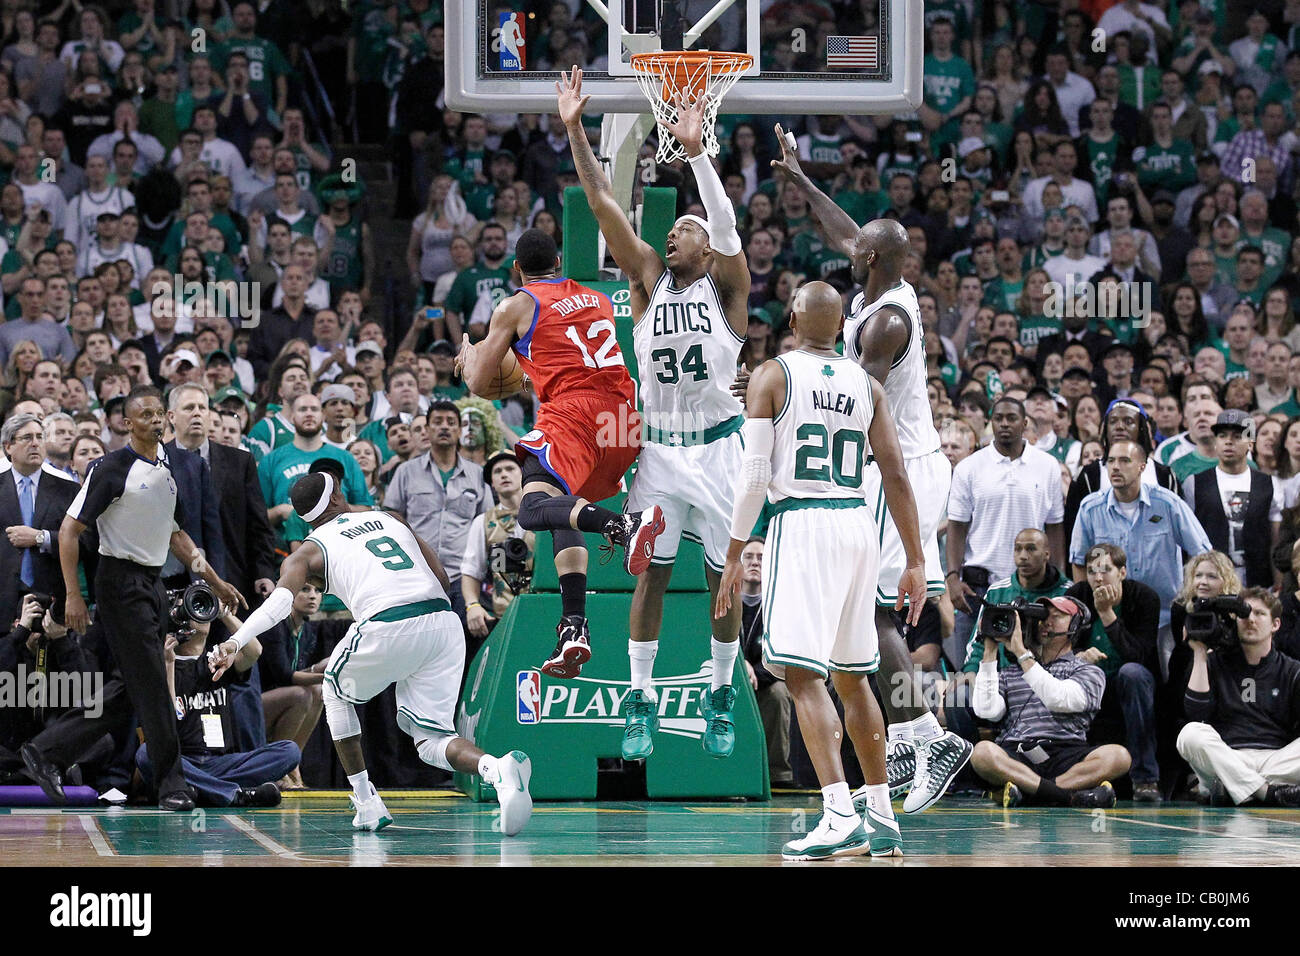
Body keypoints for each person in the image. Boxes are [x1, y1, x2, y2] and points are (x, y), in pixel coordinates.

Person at [770, 145, 972, 811]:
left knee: (874, 610)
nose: (848, 251)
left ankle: (925, 735)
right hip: (890, 468)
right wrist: (799, 177)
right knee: (857, 612)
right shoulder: (875, 284)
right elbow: (847, 231)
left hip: (902, 469)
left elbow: (860, 409)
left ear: (875, 264)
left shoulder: (887, 320)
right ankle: (910, 743)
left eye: (860, 251)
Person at [558, 73, 751, 759]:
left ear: (709, 250)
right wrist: (576, 129)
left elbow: (726, 227)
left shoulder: (729, 290)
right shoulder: (645, 281)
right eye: (670, 229)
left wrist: (697, 153)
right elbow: (603, 201)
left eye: (685, 230)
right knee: (653, 576)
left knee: (722, 578)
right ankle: (638, 698)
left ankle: (721, 694)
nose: (674, 235)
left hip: (723, 449)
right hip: (664, 453)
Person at [716, 280, 926, 860]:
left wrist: (735, 551)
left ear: (790, 318)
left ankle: (837, 811)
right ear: (842, 328)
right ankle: (880, 814)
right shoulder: (867, 383)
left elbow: (755, 475)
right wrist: (914, 558)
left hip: (801, 524)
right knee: (854, 678)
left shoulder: (773, 374)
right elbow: (898, 476)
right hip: (859, 526)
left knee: (801, 675)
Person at [210, 472, 534, 834]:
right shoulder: (389, 517)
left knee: (332, 689)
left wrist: (235, 641)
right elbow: (442, 578)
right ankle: (497, 769)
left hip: (388, 621)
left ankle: (366, 801)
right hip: (443, 623)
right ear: (335, 498)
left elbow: (280, 602)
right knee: (430, 741)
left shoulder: (308, 550)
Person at [457, 226, 663, 678]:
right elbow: (564, 352)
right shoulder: (597, 298)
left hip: (577, 414)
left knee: (532, 509)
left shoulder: (515, 304)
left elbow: (477, 384)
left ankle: (624, 526)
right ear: (560, 264)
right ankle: (574, 625)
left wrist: (469, 353)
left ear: (517, 269)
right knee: (560, 508)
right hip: (624, 421)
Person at [58, 385, 243, 811]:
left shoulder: (166, 469)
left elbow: (179, 537)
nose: (156, 421)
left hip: (152, 582)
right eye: (146, 415)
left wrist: (215, 581)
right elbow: (70, 530)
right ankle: (172, 785)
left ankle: (49, 751)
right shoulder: (110, 467)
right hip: (119, 580)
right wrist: (73, 594)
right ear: (127, 423)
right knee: (154, 687)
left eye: (160, 413)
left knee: (134, 687)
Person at [970, 595, 1130, 807]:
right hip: (1019, 753)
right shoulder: (1009, 673)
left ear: (1075, 625)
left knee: (1119, 756)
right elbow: (987, 711)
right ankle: (1066, 796)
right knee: (982, 752)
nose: (1046, 622)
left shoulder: (1087, 670)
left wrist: (1021, 653)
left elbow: (1059, 699)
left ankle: (1029, 792)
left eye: (1057, 616)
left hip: (1067, 753)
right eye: (1043, 617)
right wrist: (989, 652)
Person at [948, 397, 1066, 658]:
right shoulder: (969, 467)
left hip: (1033, 585)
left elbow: (1055, 526)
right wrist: (952, 577)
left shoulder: (1047, 466)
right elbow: (956, 526)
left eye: (1011, 418)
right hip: (978, 586)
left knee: (1032, 669)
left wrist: (1060, 578)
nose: (1004, 424)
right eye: (998, 418)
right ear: (991, 422)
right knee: (971, 670)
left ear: (1024, 423)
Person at [139, 612, 296, 808]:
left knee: (289, 750)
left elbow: (254, 650)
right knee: (146, 753)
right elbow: (169, 721)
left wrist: (225, 613)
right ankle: (236, 794)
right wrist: (168, 664)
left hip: (222, 762)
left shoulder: (218, 661)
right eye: (194, 609)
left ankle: (202, 790)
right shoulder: (165, 663)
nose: (201, 613)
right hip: (181, 761)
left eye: (204, 609)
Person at [1177, 587, 1300, 807]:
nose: (1250, 619)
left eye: (1259, 614)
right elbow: (1195, 714)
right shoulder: (1214, 662)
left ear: (1275, 624)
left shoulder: (1292, 670)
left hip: (1274, 758)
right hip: (1227, 754)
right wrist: (1199, 652)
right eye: (1244, 614)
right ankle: (1265, 792)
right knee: (1189, 734)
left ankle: (1234, 787)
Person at [1066, 543, 1163, 801]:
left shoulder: (1144, 598)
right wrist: (1078, 657)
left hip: (1130, 684)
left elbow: (1138, 655)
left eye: (1105, 570)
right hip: (1090, 683)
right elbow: (1059, 649)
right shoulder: (1077, 596)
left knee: (1132, 673)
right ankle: (1071, 775)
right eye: (1091, 571)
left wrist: (1106, 613)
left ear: (1122, 572)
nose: (1098, 578)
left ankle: (1145, 779)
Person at [1183, 409, 1281, 587]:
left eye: (1237, 436)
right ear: (1215, 442)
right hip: (1210, 582)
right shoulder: (1195, 483)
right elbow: (1189, 540)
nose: (1228, 441)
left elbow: (1275, 542)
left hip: (1259, 581)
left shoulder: (1270, 484)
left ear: (1251, 443)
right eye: (1222, 435)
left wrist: (1278, 584)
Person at [0, 413, 80, 632]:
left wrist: (41, 537)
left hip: (53, 601)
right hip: (4, 603)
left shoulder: (68, 490)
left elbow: (86, 541)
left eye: (39, 437)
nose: (35, 443)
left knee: (52, 667)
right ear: (8, 447)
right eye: (27, 437)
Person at [734, 536, 793, 788]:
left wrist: (755, 672)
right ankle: (729, 771)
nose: (755, 563)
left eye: (761, 558)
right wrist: (739, 666)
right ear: (738, 563)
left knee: (780, 694)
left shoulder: (780, 604)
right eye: (748, 557)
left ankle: (778, 775)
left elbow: (783, 652)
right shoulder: (725, 599)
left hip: (764, 680)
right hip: (730, 678)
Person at [460, 450, 534, 640]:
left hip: (543, 609)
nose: (504, 474)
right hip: (503, 617)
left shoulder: (544, 515)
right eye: (497, 471)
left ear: (523, 475)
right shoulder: (482, 522)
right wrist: (472, 605)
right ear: (492, 482)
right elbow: (471, 570)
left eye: (510, 468)